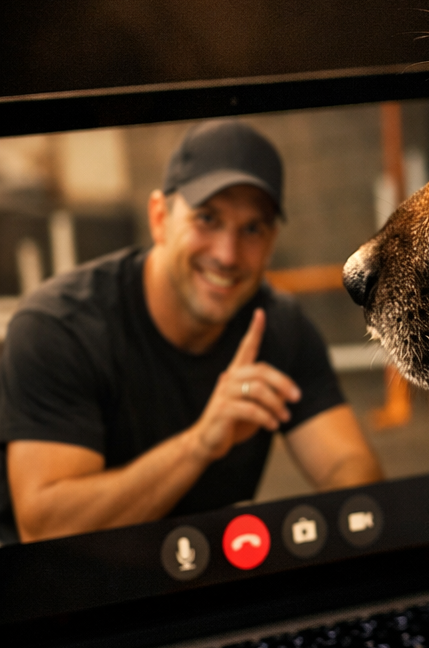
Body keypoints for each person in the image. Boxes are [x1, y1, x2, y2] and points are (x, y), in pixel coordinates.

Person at [0, 119, 381, 543]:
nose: (227, 254)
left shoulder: (277, 327)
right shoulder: (59, 328)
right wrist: (200, 444)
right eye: (207, 218)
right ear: (159, 218)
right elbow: (47, 529)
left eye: (252, 228)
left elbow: (352, 471)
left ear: (271, 241)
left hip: (203, 580)